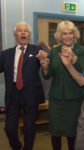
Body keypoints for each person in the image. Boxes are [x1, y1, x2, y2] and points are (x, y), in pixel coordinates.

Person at [37, 20, 84, 150]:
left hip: (75, 99)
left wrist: (73, 57)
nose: (68, 36)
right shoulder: (54, 51)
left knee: (73, 134)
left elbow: (83, 71)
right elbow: (48, 75)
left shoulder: (81, 50)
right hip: (56, 99)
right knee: (55, 133)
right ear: (60, 36)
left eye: (71, 33)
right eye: (64, 33)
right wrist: (45, 66)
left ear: (75, 35)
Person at [0, 21, 45, 150]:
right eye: (20, 30)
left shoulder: (37, 50)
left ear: (29, 35)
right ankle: (17, 146)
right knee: (9, 128)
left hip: (31, 94)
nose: (23, 32)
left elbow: (48, 61)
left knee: (29, 128)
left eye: (26, 30)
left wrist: (45, 59)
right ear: (15, 35)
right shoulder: (6, 54)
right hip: (13, 94)